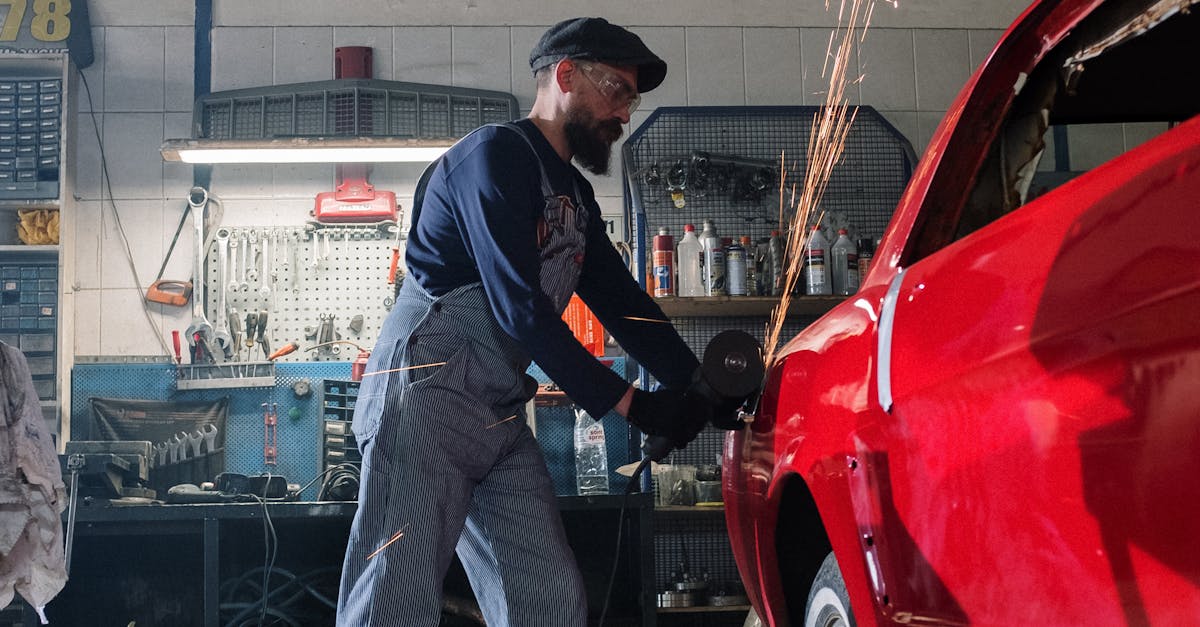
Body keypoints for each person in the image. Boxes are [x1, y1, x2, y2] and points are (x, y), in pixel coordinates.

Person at [337, 17, 733, 626]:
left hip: (495, 414)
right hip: (423, 400)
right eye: (617, 92)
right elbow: (519, 308)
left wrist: (702, 384)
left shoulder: (572, 195)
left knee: (547, 598)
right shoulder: (493, 157)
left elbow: (624, 305)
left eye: (631, 99)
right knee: (394, 599)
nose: (625, 114)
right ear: (565, 74)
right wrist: (634, 404)